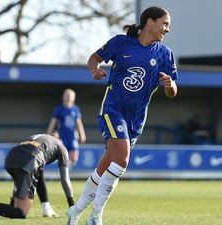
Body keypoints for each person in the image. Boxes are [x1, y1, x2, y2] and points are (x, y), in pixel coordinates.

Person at [66, 6, 178, 225]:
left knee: (104, 170)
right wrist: (94, 69)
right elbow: (94, 58)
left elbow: (173, 92)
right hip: (113, 109)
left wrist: (170, 84)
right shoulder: (120, 42)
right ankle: (96, 216)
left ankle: (75, 212)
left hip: (136, 119)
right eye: (165, 24)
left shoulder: (165, 54)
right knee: (122, 160)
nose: (168, 29)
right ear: (149, 22)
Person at [0, 133, 75, 219]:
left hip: (11, 158)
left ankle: (47, 209)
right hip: (27, 162)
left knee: (13, 208)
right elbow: (65, 179)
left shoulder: (39, 138)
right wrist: (72, 206)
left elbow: (39, 174)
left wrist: (46, 206)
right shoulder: (61, 147)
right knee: (20, 213)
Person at [47, 88, 86, 166]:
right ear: (63, 97)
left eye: (70, 95)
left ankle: (69, 173)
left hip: (72, 137)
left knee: (74, 158)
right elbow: (53, 123)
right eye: (67, 95)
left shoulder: (75, 109)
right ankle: (63, 173)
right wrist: (48, 135)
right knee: (62, 157)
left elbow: (79, 123)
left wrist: (82, 136)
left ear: (74, 97)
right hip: (62, 137)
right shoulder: (59, 109)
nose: (68, 97)